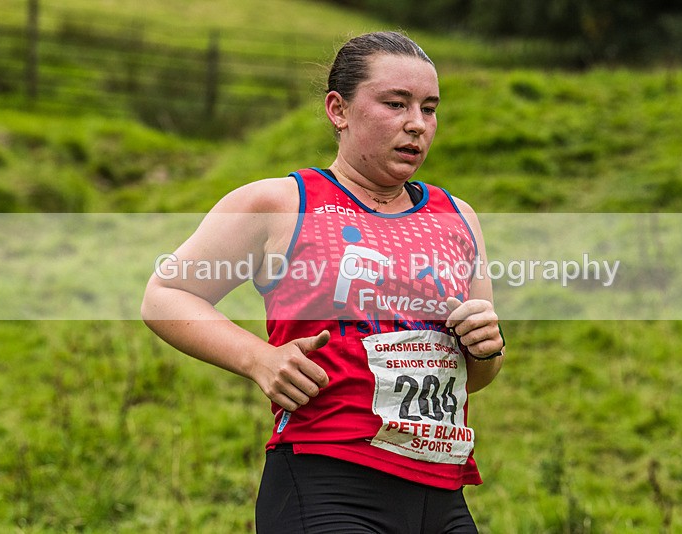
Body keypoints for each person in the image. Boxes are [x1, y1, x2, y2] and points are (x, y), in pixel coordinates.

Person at [141, 30, 505, 533]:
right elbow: (165, 295)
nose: (417, 124)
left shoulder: (457, 215)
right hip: (328, 483)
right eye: (395, 104)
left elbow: (477, 376)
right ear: (339, 110)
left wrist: (485, 349)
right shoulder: (280, 203)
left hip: (441, 489)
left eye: (429, 108)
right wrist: (259, 359)